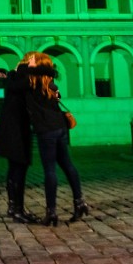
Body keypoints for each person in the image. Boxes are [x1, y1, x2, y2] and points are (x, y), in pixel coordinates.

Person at [24, 51, 89, 226]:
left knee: (50, 170)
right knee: (68, 165)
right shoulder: (52, 85)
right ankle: (80, 202)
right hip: (60, 127)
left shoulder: (29, 85)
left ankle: (51, 212)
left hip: (46, 130)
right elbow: (59, 99)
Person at [0, 52, 46, 223]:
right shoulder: (27, 78)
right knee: (19, 170)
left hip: (9, 129)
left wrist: (12, 72)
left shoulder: (14, 77)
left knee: (14, 169)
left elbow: (13, 84)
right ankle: (18, 210)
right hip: (17, 130)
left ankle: (13, 207)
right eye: (35, 61)